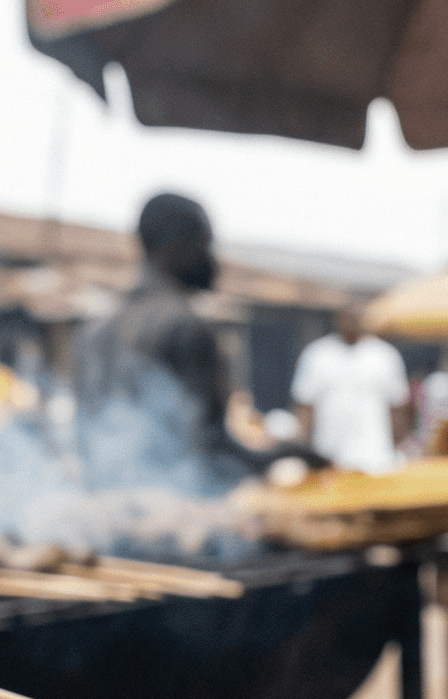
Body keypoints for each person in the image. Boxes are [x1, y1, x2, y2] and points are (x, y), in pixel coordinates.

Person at [75, 192, 300, 492]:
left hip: (104, 505)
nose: (212, 259)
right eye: (205, 244)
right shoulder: (185, 329)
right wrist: (283, 456)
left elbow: (87, 439)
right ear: (175, 246)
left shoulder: (93, 332)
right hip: (174, 509)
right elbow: (211, 451)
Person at [291, 306, 411, 474]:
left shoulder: (385, 355)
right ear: (339, 319)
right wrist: (303, 450)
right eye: (348, 316)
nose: (353, 321)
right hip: (328, 456)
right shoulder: (317, 354)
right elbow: (305, 406)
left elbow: (398, 406)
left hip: (376, 458)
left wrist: (397, 446)